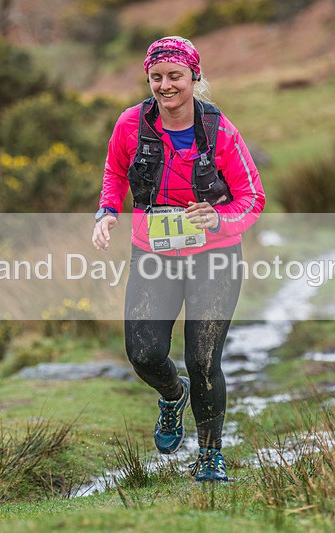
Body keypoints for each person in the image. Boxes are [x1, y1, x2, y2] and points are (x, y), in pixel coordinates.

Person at [92, 36, 265, 482]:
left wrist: (218, 217)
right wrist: (107, 212)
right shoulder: (131, 124)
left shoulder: (219, 130)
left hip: (215, 256)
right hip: (155, 254)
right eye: (156, 77)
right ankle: (173, 396)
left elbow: (252, 198)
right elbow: (115, 172)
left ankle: (210, 455)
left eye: (175, 76)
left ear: (194, 77)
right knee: (144, 353)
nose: (165, 86)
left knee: (203, 360)